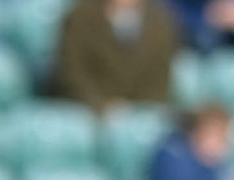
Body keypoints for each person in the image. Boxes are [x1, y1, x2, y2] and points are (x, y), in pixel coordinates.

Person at [52, 0, 181, 112]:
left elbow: (160, 75)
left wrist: (135, 109)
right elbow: (72, 72)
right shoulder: (80, 17)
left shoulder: (160, 21)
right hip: (87, 106)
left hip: (141, 109)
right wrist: (101, 104)